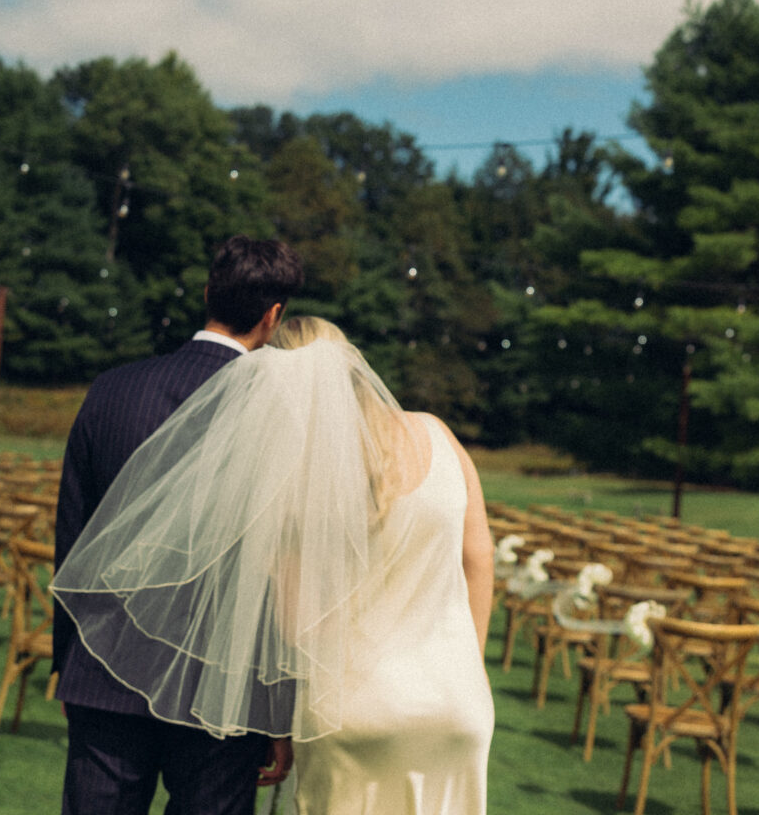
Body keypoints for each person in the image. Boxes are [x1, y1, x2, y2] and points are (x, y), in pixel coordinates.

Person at [54, 315, 495, 815]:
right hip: (457, 705)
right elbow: (479, 559)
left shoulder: (304, 485)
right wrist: (468, 669)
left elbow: (295, 627)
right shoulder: (437, 434)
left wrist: (279, 722)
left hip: (352, 713)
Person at [53, 234, 304, 815]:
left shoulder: (112, 389)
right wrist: (278, 705)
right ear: (273, 316)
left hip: (104, 667)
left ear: (208, 292)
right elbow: (284, 569)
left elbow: (74, 533)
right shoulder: (284, 416)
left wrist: (72, 657)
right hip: (223, 686)